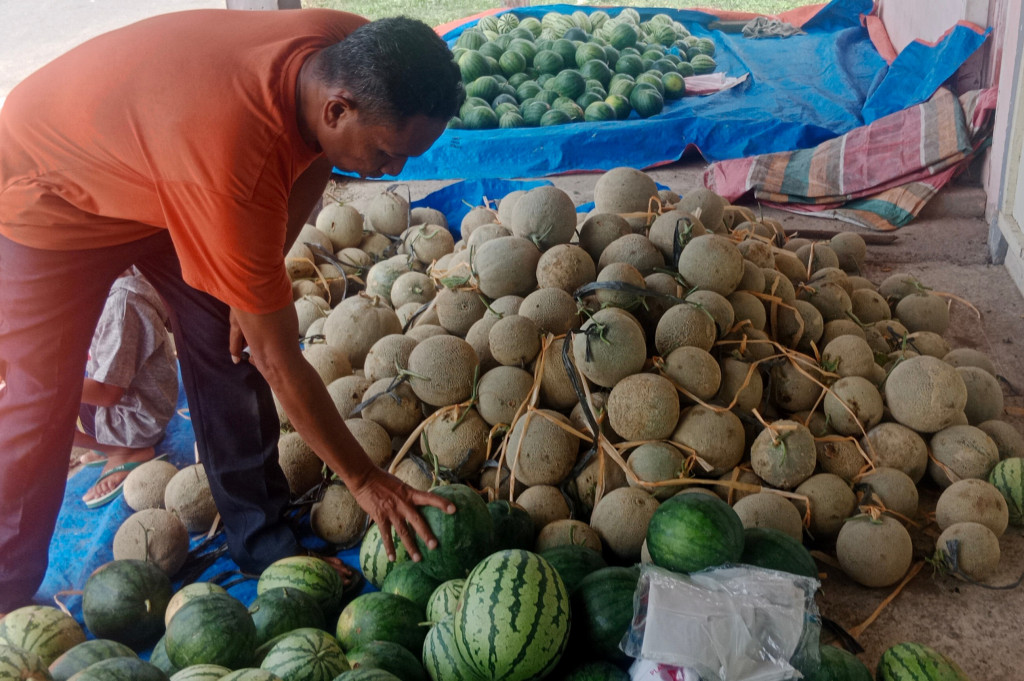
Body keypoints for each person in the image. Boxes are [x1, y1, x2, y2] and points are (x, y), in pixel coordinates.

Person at [0, 8, 464, 611]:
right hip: (50, 189)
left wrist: (260, 273)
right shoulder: (232, 173)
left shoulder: (353, 51)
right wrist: (365, 480)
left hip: (165, 164)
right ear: (338, 108)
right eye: (385, 151)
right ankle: (6, 585)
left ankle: (263, 541)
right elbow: (279, 358)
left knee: (227, 336)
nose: (393, 171)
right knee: (41, 396)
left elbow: (316, 157)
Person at [77, 268, 178, 509]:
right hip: (126, 407)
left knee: (38, 408)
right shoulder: (103, 288)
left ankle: (124, 451)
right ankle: (108, 445)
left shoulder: (121, 305)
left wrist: (48, 388)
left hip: (138, 419)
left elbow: (108, 393)